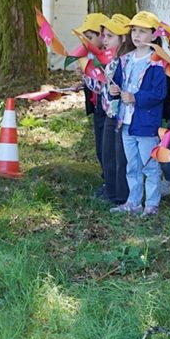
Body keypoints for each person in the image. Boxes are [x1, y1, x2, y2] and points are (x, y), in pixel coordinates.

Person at [109, 11, 167, 216]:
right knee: (131, 165)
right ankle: (133, 202)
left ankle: (151, 204)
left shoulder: (158, 63)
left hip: (146, 123)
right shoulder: (125, 60)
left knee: (149, 165)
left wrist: (136, 98)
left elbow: (159, 93)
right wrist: (112, 91)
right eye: (134, 30)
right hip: (126, 121)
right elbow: (116, 82)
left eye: (143, 31)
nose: (137, 35)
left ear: (154, 35)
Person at [98, 14, 133, 205]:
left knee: (121, 158)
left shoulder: (128, 61)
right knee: (108, 155)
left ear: (123, 38)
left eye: (110, 36)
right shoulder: (109, 62)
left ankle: (122, 196)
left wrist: (118, 92)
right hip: (109, 114)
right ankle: (110, 193)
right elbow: (100, 88)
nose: (104, 40)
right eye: (104, 35)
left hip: (122, 116)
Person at [74, 12, 110, 199]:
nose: (86, 42)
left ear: (102, 36)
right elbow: (94, 84)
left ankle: (111, 184)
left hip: (108, 110)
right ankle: (106, 180)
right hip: (97, 108)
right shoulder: (90, 56)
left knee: (107, 149)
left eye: (90, 37)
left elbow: (104, 83)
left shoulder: (108, 58)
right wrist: (84, 81)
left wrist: (88, 76)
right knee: (99, 148)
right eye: (84, 38)